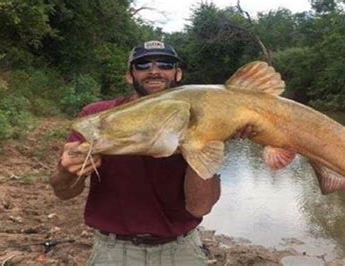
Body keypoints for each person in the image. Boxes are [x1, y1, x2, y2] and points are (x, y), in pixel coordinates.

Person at [50, 40, 252, 265]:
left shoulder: (202, 116)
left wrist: (210, 138)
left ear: (178, 73)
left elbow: (200, 207)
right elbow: (63, 192)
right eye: (143, 65)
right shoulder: (99, 116)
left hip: (181, 250)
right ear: (129, 75)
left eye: (165, 64)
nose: (154, 71)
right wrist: (65, 171)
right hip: (114, 251)